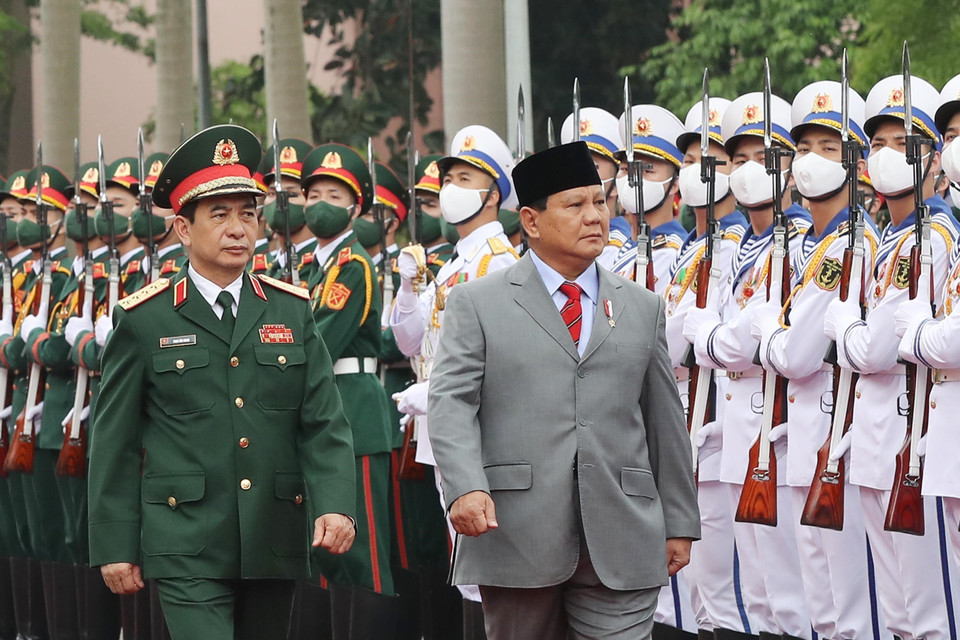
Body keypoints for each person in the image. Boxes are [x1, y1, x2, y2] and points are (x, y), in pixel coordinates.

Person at [87, 124, 358, 640]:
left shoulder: (292, 311)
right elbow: (115, 441)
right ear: (184, 230)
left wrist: (338, 503)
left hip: (272, 534)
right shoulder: (145, 320)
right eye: (219, 215)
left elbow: (323, 422)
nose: (238, 229)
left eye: (248, 214)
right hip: (185, 540)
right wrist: (115, 545)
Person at [428, 141, 701, 640]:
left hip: (623, 533)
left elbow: (664, 419)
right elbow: (450, 403)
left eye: (600, 202)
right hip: (515, 534)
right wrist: (465, 486)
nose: (594, 217)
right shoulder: (477, 303)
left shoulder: (642, 307)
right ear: (531, 222)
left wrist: (680, 518)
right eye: (575, 206)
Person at [824, 74, 960, 639]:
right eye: (877, 145)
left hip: (914, 435)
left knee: (931, 612)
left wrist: (842, 325)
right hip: (881, 437)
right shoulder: (894, 235)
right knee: (901, 611)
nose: (886, 156)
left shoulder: (929, 237)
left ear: (932, 158)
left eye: (903, 144)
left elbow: (878, 348)